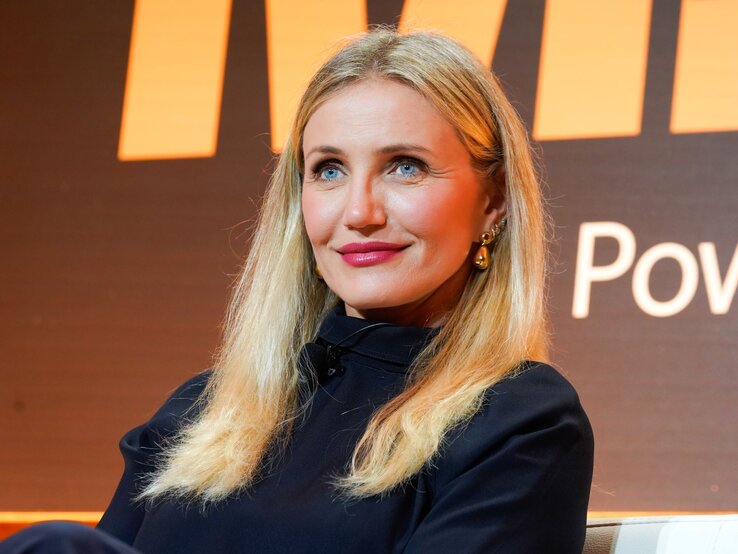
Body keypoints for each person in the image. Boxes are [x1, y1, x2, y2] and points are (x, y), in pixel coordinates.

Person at [1, 27, 593, 553]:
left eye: (404, 166)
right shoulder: (204, 411)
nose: (358, 212)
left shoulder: (520, 420)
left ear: (493, 203)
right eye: (328, 170)